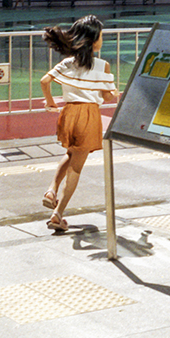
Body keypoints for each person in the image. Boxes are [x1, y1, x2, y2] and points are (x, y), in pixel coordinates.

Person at [39, 15, 119, 232]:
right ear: (94, 40)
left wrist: (50, 103)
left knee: (71, 152)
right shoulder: (103, 65)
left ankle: (51, 189)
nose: (102, 39)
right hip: (88, 115)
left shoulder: (67, 63)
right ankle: (58, 214)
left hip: (68, 113)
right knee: (76, 168)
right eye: (101, 36)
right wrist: (115, 93)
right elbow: (108, 96)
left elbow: (44, 81)